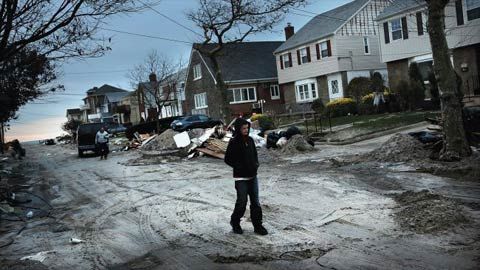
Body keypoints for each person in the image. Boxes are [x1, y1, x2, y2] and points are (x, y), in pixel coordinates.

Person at [224, 118, 268, 235]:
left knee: (255, 203)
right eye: (243, 128)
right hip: (240, 178)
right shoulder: (233, 142)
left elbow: (254, 155)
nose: (246, 130)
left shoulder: (250, 140)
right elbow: (227, 159)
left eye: (247, 128)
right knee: (242, 202)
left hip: (253, 177)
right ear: (238, 129)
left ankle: (258, 226)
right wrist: (238, 166)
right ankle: (235, 222)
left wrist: (255, 165)